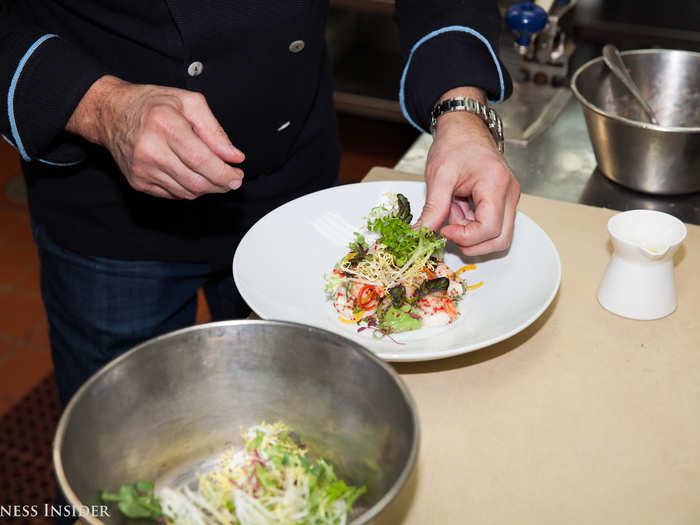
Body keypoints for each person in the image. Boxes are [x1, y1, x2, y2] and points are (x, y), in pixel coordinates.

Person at [1, 1, 519, 407]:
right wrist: (100, 108)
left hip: (293, 190)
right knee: (117, 466)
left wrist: (461, 111)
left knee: (303, 415)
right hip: (108, 205)